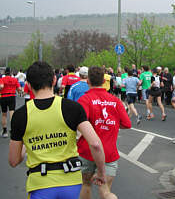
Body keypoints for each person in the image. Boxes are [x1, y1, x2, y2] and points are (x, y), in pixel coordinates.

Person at [9, 61, 106, 199]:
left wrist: (26, 144)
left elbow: (13, 160)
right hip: (70, 181)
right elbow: (96, 144)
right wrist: (101, 172)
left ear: (29, 85)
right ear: (54, 80)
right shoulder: (72, 108)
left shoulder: (21, 115)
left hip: (40, 183)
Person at [77, 66, 131, 199]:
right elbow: (127, 124)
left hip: (87, 151)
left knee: (86, 185)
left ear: (88, 81)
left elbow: (79, 124)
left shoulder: (84, 100)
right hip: (108, 152)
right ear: (103, 81)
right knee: (105, 190)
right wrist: (109, 125)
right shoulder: (115, 101)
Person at [0, 67, 21, 137]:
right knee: (12, 113)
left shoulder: (2, 79)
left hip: (3, 97)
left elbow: (1, 86)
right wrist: (18, 91)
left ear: (5, 73)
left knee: (4, 114)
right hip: (12, 96)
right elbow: (19, 89)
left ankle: (5, 131)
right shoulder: (14, 79)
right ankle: (13, 130)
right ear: (10, 73)